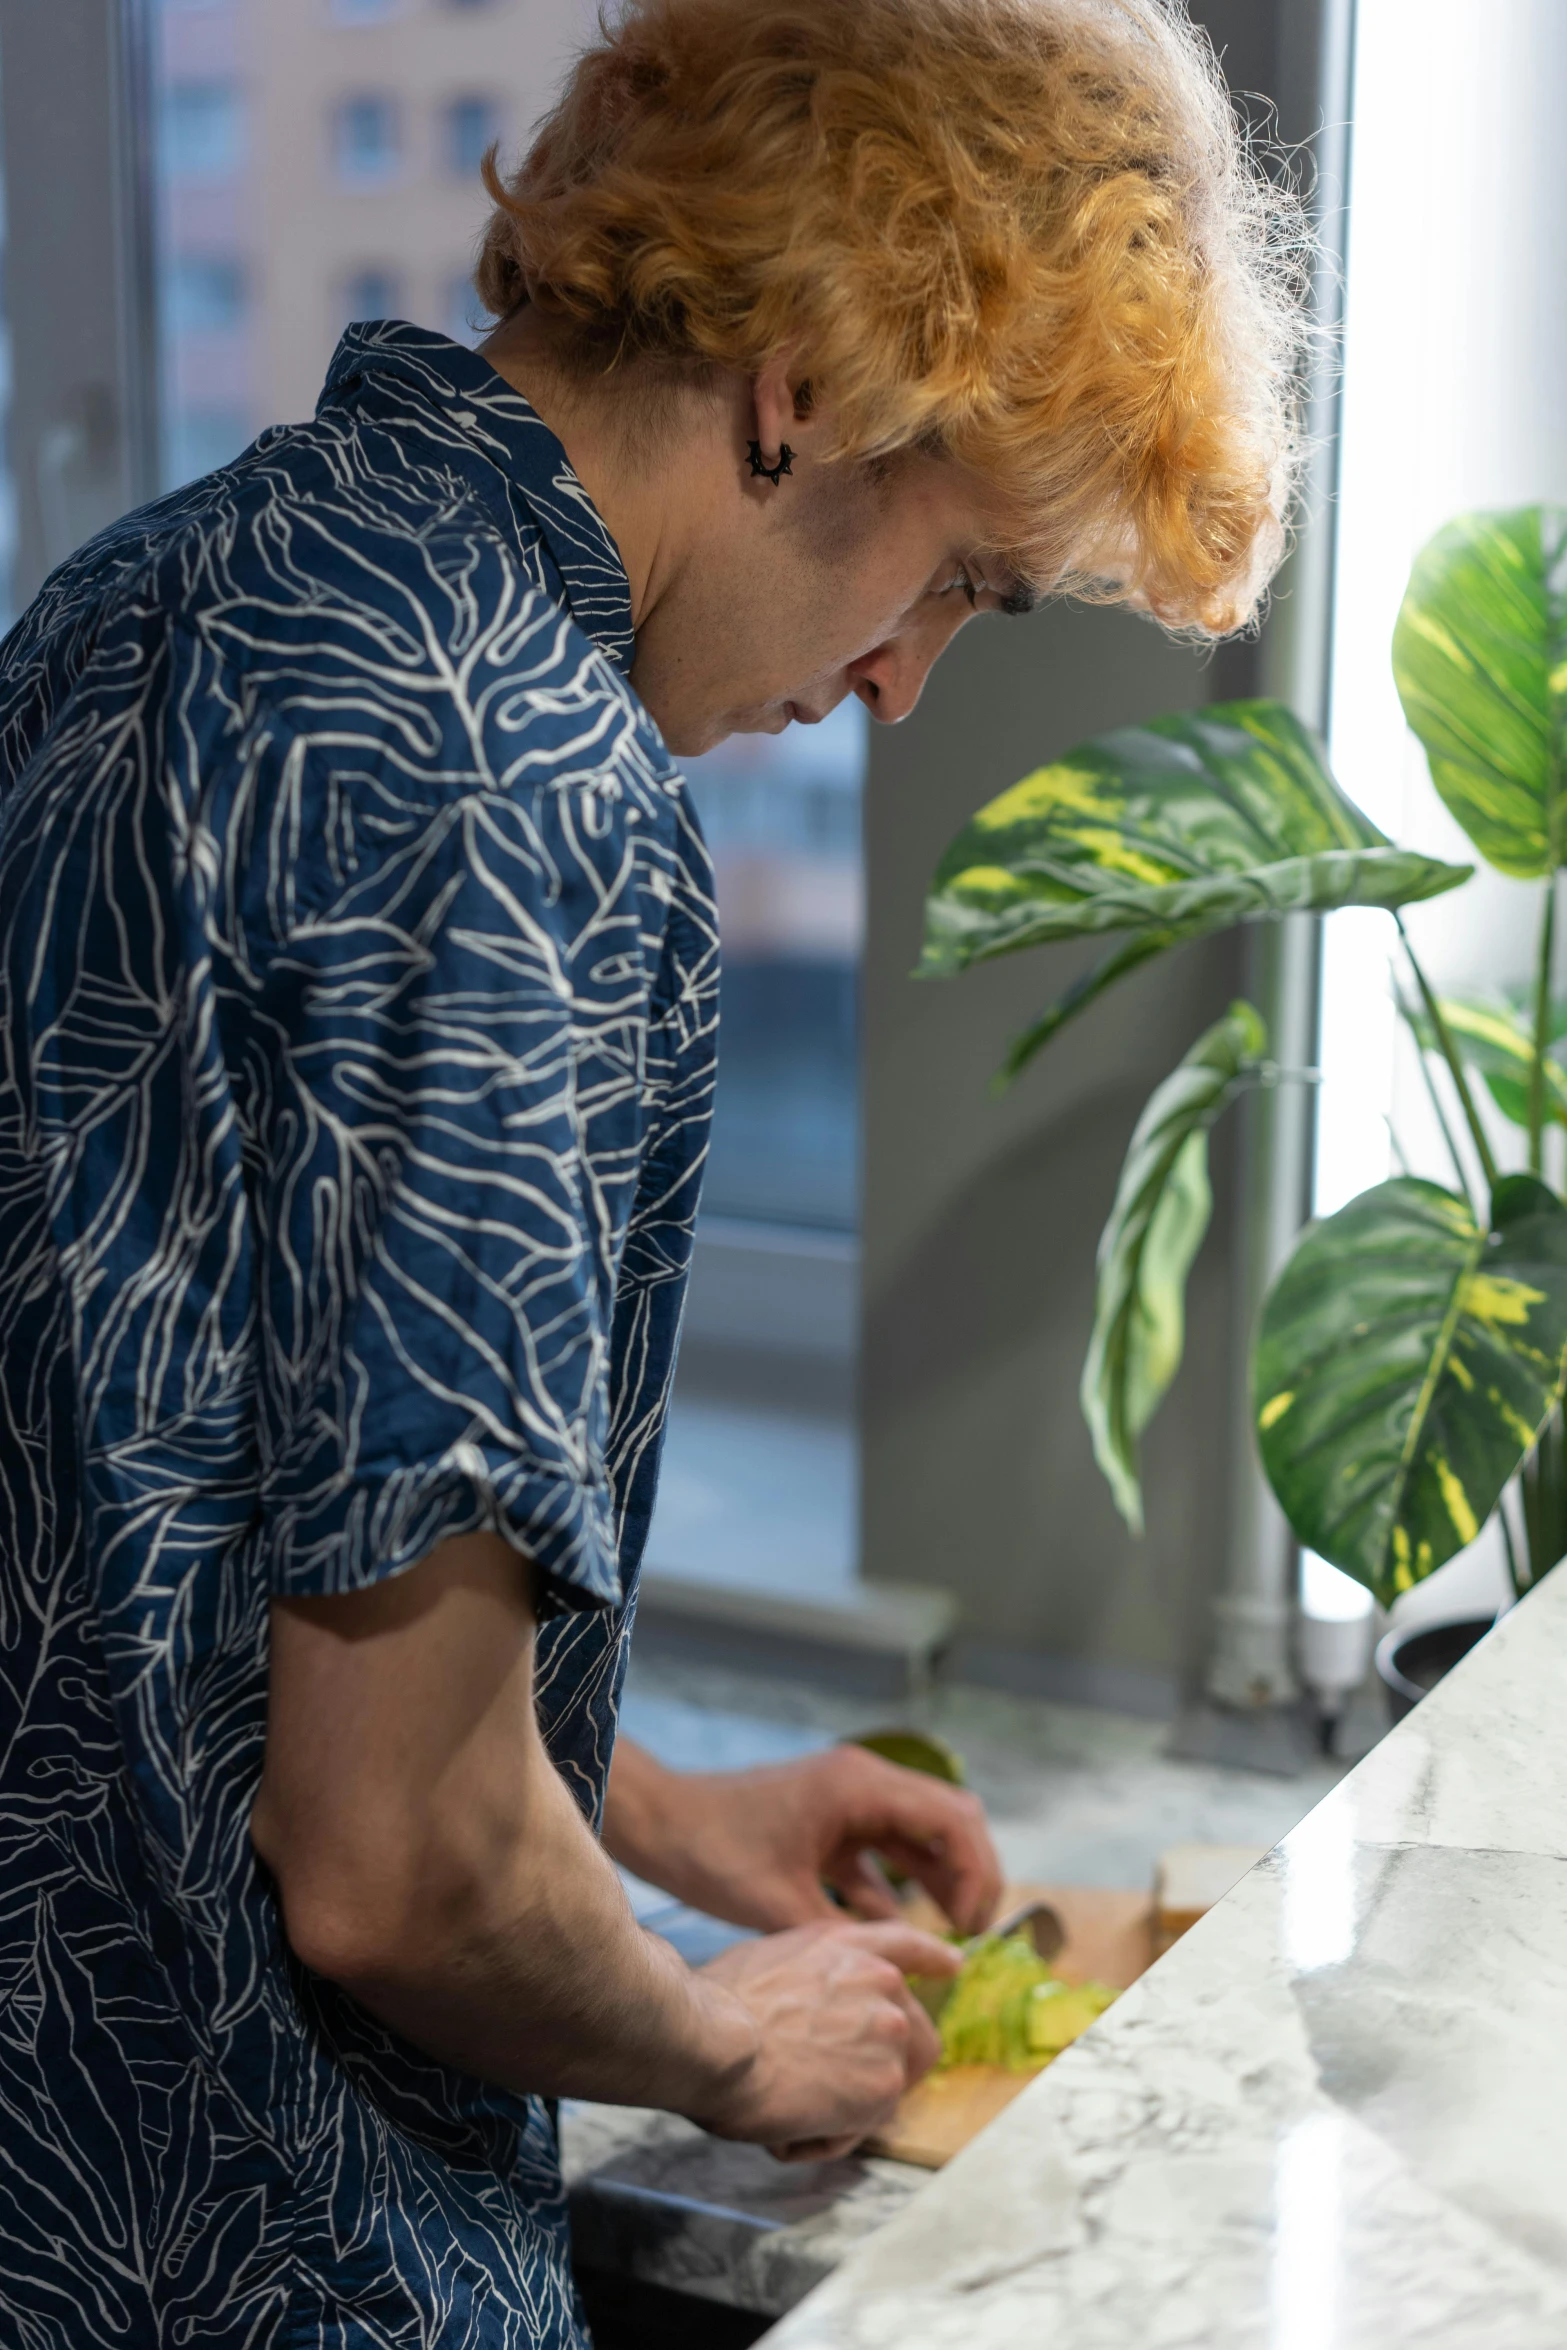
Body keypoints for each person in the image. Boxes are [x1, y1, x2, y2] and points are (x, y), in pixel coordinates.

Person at [0, 0, 1304, 2341]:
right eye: (964, 575)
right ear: (804, 368)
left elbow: (161, 1519)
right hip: (262, 2253)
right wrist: (723, 2026)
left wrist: (659, 1805)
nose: (906, 681)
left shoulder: (134, 602)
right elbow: (395, 1869)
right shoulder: (545, 792)